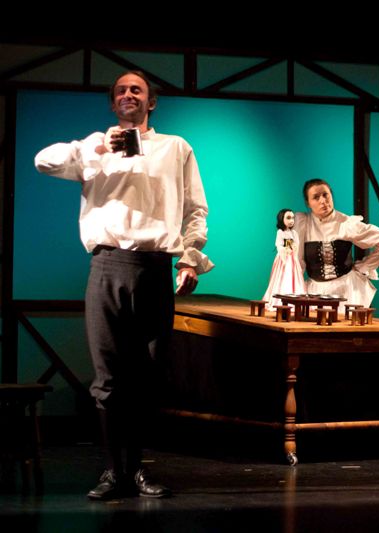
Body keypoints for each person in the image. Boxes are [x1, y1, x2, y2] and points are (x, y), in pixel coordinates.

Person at [34, 70, 214, 499]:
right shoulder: (94, 146)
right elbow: (43, 160)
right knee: (109, 376)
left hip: (155, 268)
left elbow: (195, 209)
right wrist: (99, 147)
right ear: (113, 102)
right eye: (120, 90)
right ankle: (113, 472)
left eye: (136, 89)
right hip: (108, 265)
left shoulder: (175, 147)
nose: (128, 94)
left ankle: (137, 471)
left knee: (147, 376)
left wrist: (190, 259)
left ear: (151, 102)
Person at [294, 178, 379, 311]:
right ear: (308, 203)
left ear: (331, 195)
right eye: (316, 197)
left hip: (346, 290)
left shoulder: (346, 223)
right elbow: (297, 262)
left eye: (325, 195)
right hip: (314, 291)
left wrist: (364, 267)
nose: (323, 201)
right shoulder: (303, 224)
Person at [262, 208, 305, 308]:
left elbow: (297, 244)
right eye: (288, 218)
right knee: (283, 277)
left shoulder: (294, 233)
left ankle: (293, 300)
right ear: (282, 219)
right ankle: (280, 300)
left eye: (293, 218)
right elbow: (279, 245)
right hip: (284, 259)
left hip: (292, 258)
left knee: (293, 277)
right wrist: (286, 250)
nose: (291, 220)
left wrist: (294, 248)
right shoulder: (280, 232)